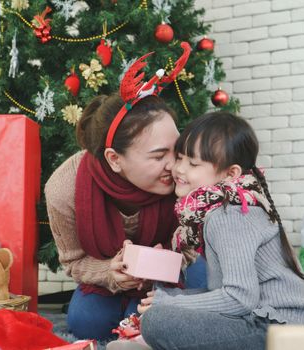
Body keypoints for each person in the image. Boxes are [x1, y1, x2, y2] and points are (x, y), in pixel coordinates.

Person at [44, 43, 206, 341]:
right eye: (159, 156)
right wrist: (111, 272)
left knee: (197, 285)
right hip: (111, 283)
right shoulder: (64, 188)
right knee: (86, 322)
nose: (175, 165)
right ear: (114, 159)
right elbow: (74, 261)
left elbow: (201, 247)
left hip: (175, 273)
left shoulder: (187, 172)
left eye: (177, 149)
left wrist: (169, 263)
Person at [134, 112, 304, 349]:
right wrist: (173, 299)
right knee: (163, 311)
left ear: (230, 174)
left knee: (157, 321)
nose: (178, 169)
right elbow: (227, 293)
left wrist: (169, 304)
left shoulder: (228, 216)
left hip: (277, 329)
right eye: (180, 157)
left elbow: (238, 298)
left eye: (193, 163)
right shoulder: (225, 207)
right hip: (265, 320)